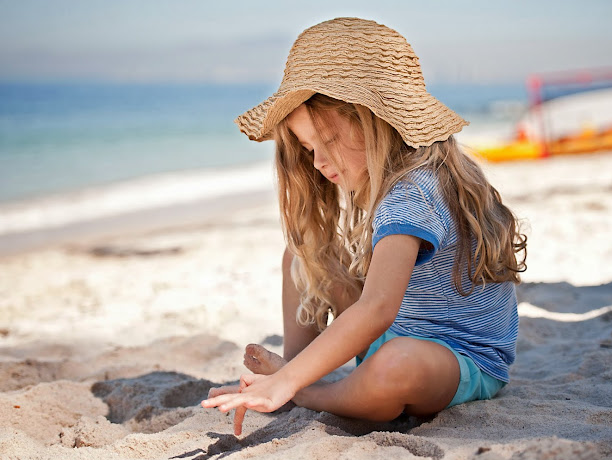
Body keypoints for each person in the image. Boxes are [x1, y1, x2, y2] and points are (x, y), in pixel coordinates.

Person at [201, 17, 527, 435]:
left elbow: (376, 308)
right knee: (304, 253)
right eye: (307, 147)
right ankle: (297, 371)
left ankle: (301, 390)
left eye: (328, 140)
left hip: (453, 360)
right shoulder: (399, 178)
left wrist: (288, 383)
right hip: (395, 334)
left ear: (374, 120)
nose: (317, 161)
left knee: (396, 364)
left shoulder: (413, 192)